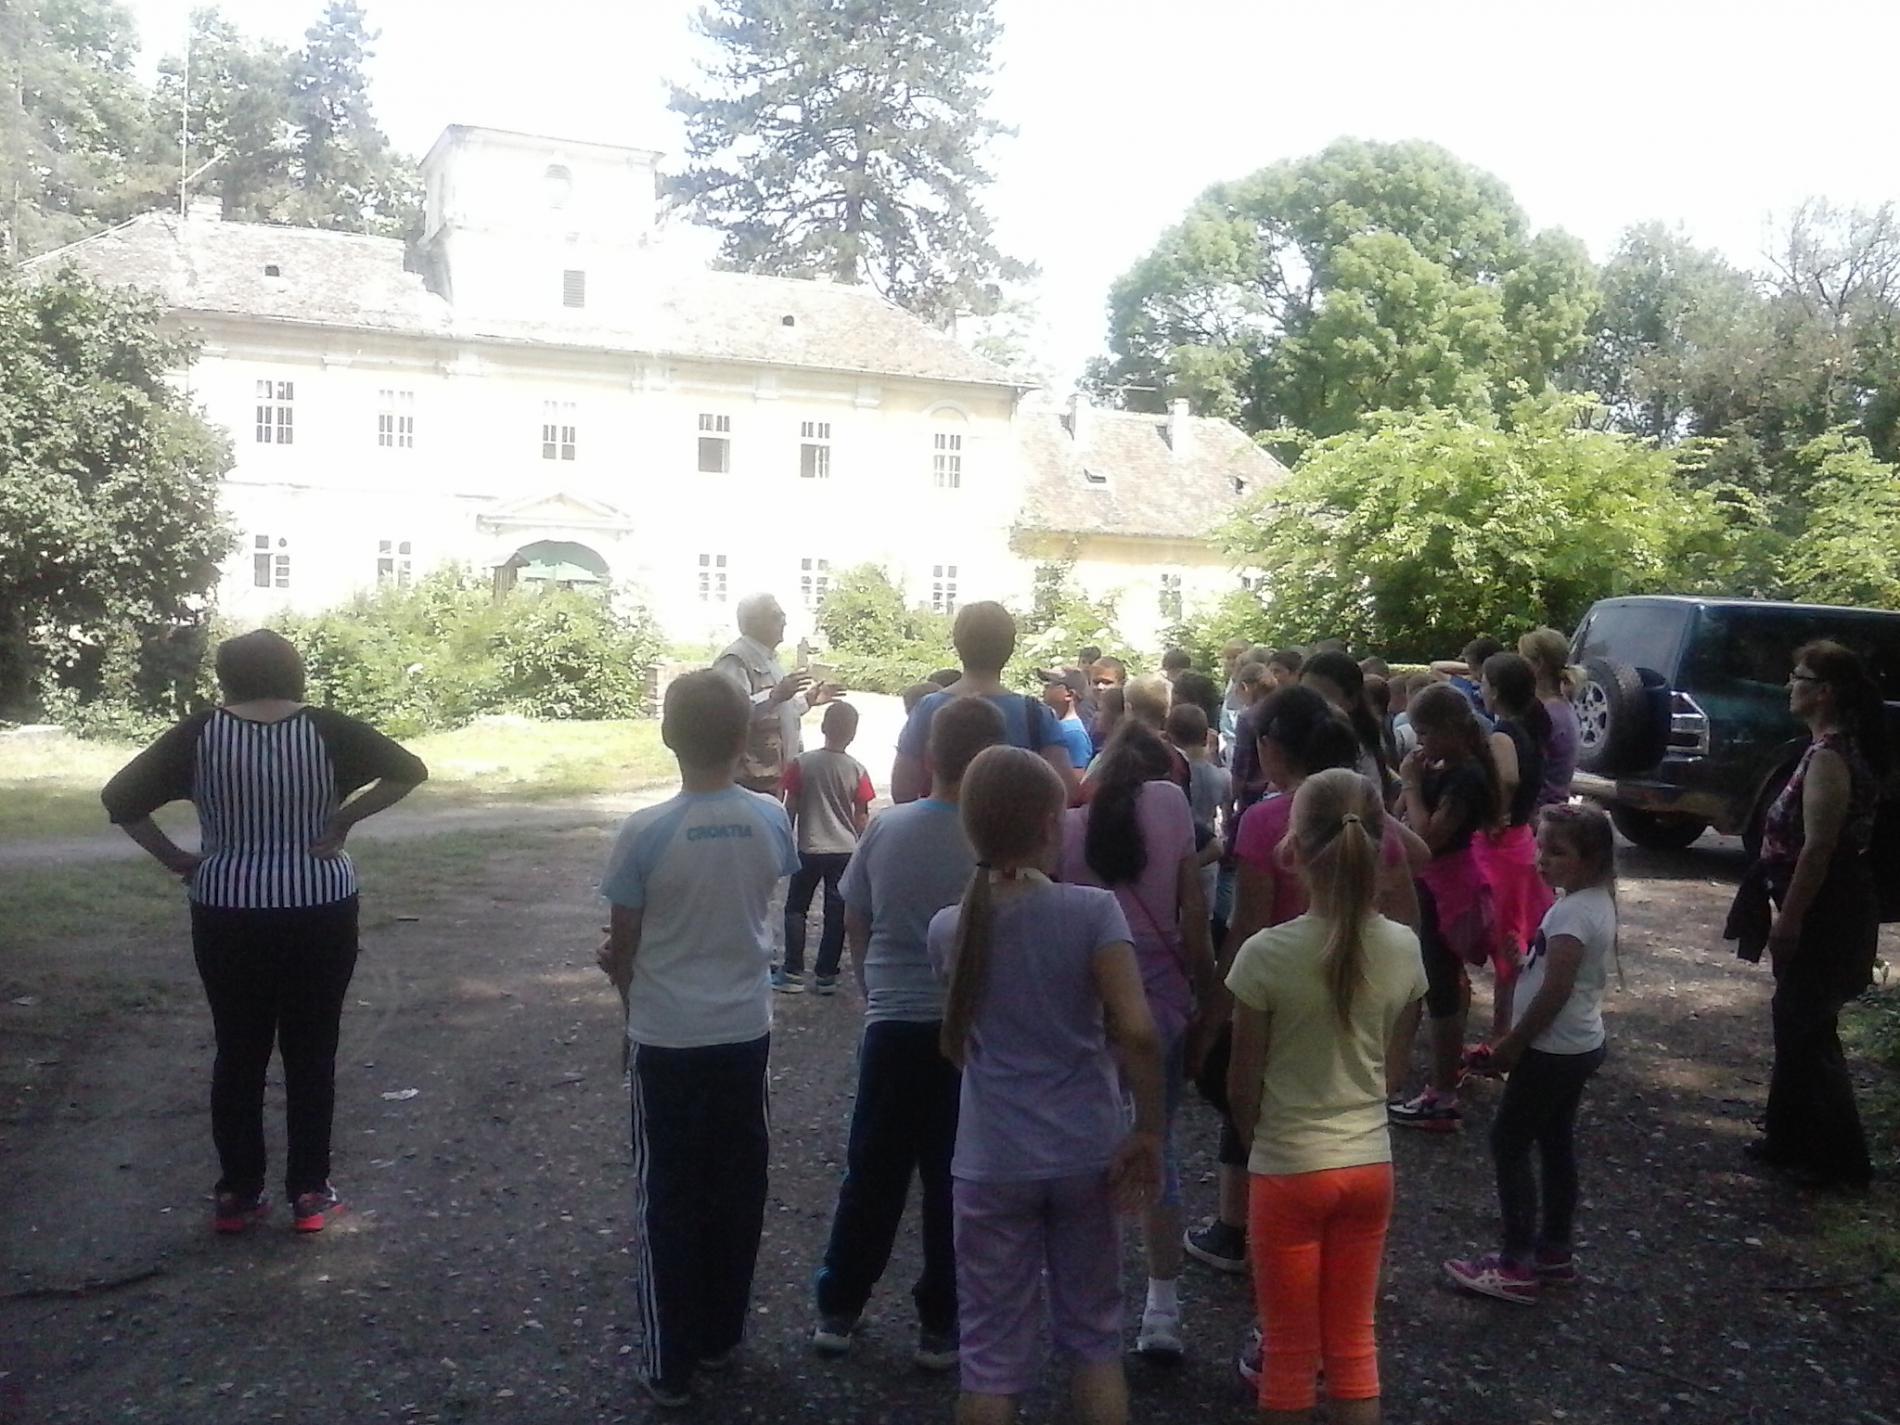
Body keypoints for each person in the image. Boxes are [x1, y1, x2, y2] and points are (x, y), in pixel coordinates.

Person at [101, 629, 428, 1236]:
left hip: (226, 905)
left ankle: (238, 1193)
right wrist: (343, 820)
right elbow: (409, 771)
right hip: (320, 902)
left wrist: (176, 860)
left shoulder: (199, 733)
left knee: (238, 1049)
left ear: (226, 676)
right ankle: (310, 1193)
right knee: (313, 1049)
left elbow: (120, 799)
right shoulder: (329, 728)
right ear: (294, 670)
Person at [929, 746, 1165, 1425]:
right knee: (1094, 1340)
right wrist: (1148, 1130)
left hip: (992, 1156)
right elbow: (1138, 1030)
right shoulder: (1092, 912)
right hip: (1086, 1148)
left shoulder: (949, 928)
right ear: (1047, 825)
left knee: (990, 1357)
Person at [597, 670, 800, 1408]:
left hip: (667, 1037)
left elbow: (625, 944)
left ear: (666, 735)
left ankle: (669, 1360)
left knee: (668, 1194)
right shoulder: (771, 819)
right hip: (744, 1030)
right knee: (739, 1186)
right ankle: (720, 1335)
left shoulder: (643, 830)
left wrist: (627, 994)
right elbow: (755, 899)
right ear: (745, 737)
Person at [1189, 689, 1425, 1278]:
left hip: (1279, 997)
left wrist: (1211, 1019)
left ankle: (1234, 1225)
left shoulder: (1265, 821)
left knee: (1253, 1099)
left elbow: (1246, 927)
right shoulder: (1365, 817)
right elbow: (1410, 901)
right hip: (1360, 999)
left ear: (1271, 748)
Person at [1226, 769, 1427, 1425]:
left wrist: (1261, 1143)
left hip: (1287, 1165)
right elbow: (1393, 1075)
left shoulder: (1264, 955)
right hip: (1369, 1165)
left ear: (1292, 847)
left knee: (1288, 1354)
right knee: (1353, 1344)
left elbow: (1242, 1082)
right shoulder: (1404, 949)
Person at [813, 697, 1009, 1369]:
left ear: (928, 758)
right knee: (955, 1178)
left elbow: (855, 912)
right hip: (969, 1031)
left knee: (873, 1169)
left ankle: (840, 1305)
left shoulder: (889, 827)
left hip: (893, 1021)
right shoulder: (996, 844)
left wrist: (869, 983)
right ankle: (941, 1321)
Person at [1058, 723, 1217, 1361]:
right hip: (1162, 1004)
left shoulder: (1066, 829)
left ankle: (1087, 1299)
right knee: (1158, 1144)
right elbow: (1193, 915)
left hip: (1089, 1004)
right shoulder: (1172, 806)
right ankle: (1162, 1309)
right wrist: (1208, 991)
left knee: (1084, 1148)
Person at [1725, 641, 1886, 1190]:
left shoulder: (1830, 758)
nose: (1789, 686)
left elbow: (1819, 849)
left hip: (1828, 912)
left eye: (1798, 677)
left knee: (1807, 1025)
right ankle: (1788, 1138)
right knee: (1796, 1019)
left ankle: (1842, 1161)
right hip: (1827, 906)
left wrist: (1789, 921)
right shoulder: (1823, 749)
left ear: (1824, 693)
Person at [1445, 803, 1617, 1305]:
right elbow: (1560, 973)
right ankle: (1554, 1252)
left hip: (1551, 1050)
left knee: (1509, 1142)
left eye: (1557, 852)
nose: (1542, 860)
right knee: (1556, 1143)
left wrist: (1513, 1044)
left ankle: (1516, 1262)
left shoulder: (1572, 913)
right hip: (1579, 1044)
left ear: (1590, 860)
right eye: (1541, 848)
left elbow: (1557, 989)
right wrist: (1525, 961)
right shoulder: (1591, 903)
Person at [1388, 684, 1502, 1132]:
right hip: (1433, 884)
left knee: (1440, 988)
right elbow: (1399, 814)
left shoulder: (1465, 777)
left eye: (1426, 733)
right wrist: (1411, 782)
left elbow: (1426, 838)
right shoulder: (1442, 767)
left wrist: (1413, 785)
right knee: (1439, 981)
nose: (1421, 743)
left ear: (1452, 729)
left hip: (1447, 887)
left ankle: (1442, 1094)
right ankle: (1443, 1078)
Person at [892, 602, 1078, 805]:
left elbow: (902, 790)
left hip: (937, 823)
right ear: (1010, 648)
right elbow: (1066, 792)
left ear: (958, 644)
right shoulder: (1035, 714)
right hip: (1010, 823)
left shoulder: (927, 708)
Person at [1474, 653, 1555, 1040]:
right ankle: (1508, 1030)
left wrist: (1497, 813)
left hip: (1502, 848)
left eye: (1483, 682)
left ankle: (1502, 1037)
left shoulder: (1503, 733)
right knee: (1517, 938)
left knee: (1506, 942)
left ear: (1496, 690)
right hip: (1520, 842)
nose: (1479, 688)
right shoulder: (1530, 729)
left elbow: (1507, 777)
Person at [777, 701, 876, 995]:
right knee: (836, 913)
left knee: (796, 908)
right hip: (844, 850)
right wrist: (865, 848)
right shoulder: (857, 769)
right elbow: (861, 816)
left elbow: (790, 805)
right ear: (853, 734)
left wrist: (784, 840)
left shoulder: (802, 763)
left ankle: (792, 971)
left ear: (823, 727)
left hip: (810, 846)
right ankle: (826, 975)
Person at [713, 593, 837, 797]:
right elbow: (730, 714)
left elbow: (778, 708)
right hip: (750, 780)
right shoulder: (735, 660)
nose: (785, 622)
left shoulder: (770, 659)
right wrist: (775, 695)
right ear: (753, 621)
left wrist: (807, 700)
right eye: (777, 616)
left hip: (772, 777)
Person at [1300, 650, 1390, 792]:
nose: (1310, 704)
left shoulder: (1356, 748)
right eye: (1304, 695)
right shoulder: (1303, 736)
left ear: (1352, 700)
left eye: (1322, 698)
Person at [1517, 628, 1583, 806]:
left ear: (1538, 664)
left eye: (1522, 658)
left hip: (1538, 810)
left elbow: (1522, 772)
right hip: (1555, 805)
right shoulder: (1563, 705)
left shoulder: (1543, 713)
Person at [1040, 667, 1097, 771]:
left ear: (1069, 694)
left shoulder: (1074, 733)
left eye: (1051, 685)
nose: (1045, 688)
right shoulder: (1058, 726)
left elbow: (1077, 777)